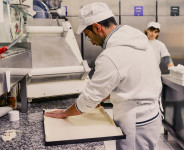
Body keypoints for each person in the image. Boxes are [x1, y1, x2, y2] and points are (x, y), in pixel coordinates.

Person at [45, 2, 162, 150]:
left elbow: (90, 98)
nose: (92, 43)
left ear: (96, 27)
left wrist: (64, 113)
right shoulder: (138, 40)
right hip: (151, 116)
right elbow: (131, 81)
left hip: (136, 122)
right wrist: (103, 97)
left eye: (88, 36)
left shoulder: (111, 56)